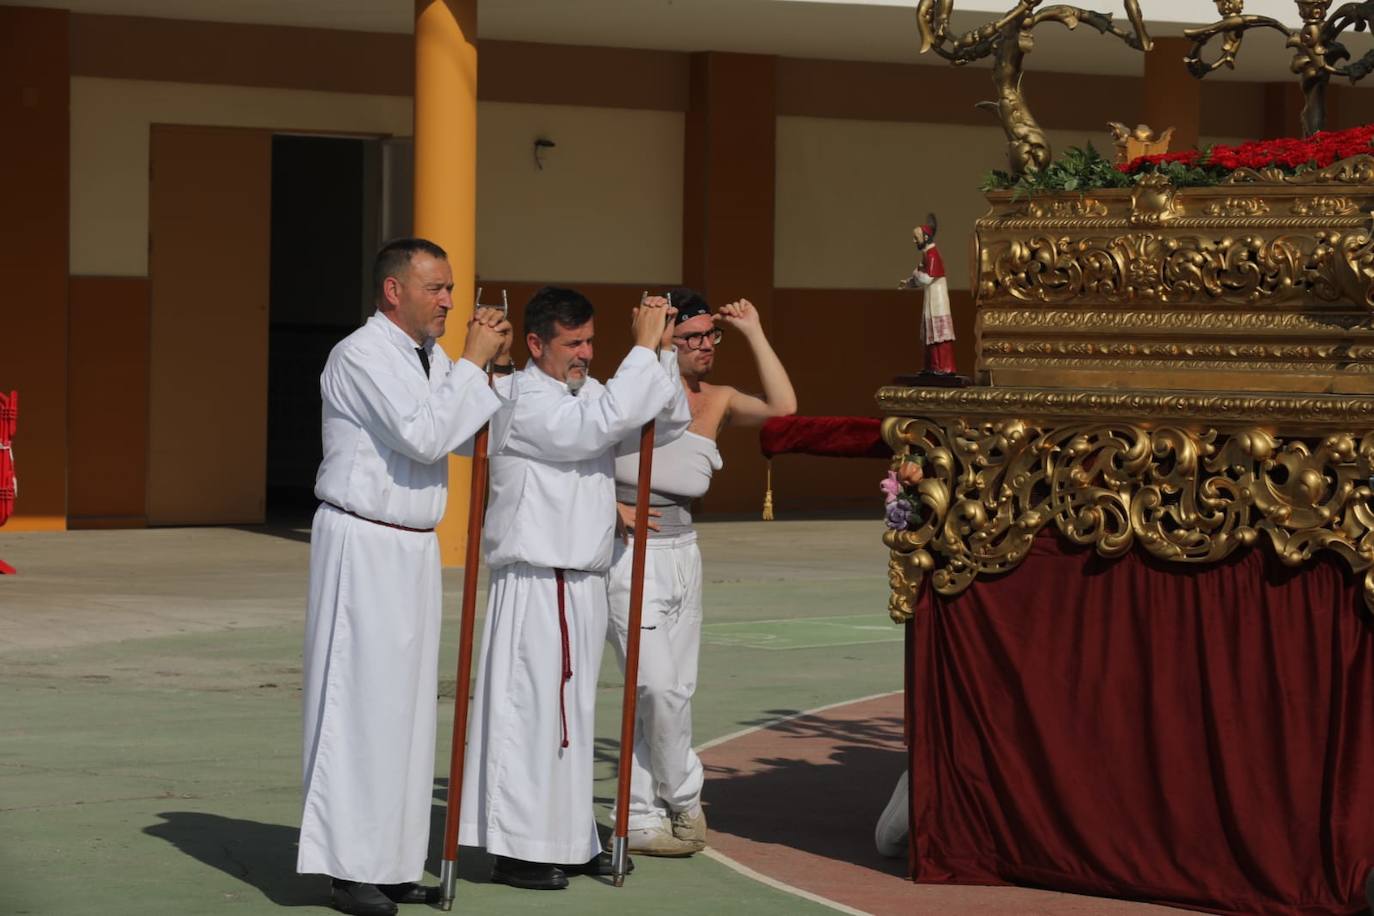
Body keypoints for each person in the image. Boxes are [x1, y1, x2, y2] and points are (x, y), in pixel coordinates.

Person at [297, 238, 513, 916]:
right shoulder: (359, 355)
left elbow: (470, 435)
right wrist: (472, 365)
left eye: (450, 288)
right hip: (364, 539)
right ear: (394, 291)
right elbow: (422, 436)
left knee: (408, 710)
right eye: (436, 288)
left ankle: (390, 862)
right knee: (360, 703)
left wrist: (492, 371)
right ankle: (349, 867)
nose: (449, 300)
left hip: (414, 545)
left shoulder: (430, 358)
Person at [458, 286, 690, 890]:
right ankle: (517, 849)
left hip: (582, 578)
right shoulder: (518, 398)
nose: (586, 353)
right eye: (573, 343)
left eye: (590, 341)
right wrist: (640, 353)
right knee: (531, 715)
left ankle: (567, 837)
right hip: (537, 578)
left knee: (571, 718)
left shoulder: (584, 393)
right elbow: (590, 430)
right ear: (536, 344)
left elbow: (667, 421)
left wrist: (662, 351)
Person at [607, 290, 797, 856]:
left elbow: (783, 408)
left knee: (674, 692)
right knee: (656, 686)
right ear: (666, 337)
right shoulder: (630, 391)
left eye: (710, 335)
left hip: (685, 553)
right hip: (630, 554)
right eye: (691, 336)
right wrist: (604, 504)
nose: (705, 345)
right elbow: (580, 453)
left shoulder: (719, 398)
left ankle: (640, 816)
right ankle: (686, 797)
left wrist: (753, 330)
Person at [898, 213, 956, 375]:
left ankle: (943, 367)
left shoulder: (932, 255)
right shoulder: (927, 255)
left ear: (925, 237)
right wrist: (908, 283)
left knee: (939, 335)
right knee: (931, 334)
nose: (914, 241)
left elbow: (926, 278)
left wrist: (915, 272)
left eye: (916, 238)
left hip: (938, 301)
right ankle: (933, 366)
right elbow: (921, 278)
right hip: (931, 299)